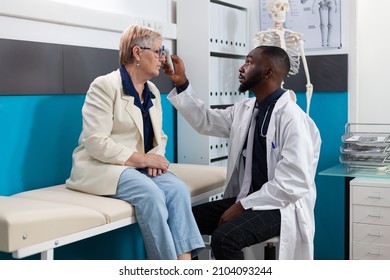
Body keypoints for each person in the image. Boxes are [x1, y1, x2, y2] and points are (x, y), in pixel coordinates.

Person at [164, 45, 321, 260]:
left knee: (225, 239)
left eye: (249, 62)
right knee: (184, 221)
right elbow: (206, 121)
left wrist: (241, 206)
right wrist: (181, 83)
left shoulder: (293, 119)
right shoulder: (246, 109)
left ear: (268, 72)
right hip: (249, 198)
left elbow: (293, 183)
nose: (241, 68)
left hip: (279, 205)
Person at [66, 24, 204, 260]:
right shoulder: (104, 86)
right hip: (105, 166)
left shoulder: (150, 89)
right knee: (150, 193)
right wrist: (142, 159)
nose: (163, 58)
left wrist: (155, 159)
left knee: (178, 190)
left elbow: (159, 136)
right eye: (159, 51)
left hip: (139, 166)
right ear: (138, 53)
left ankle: (185, 263)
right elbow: (95, 141)